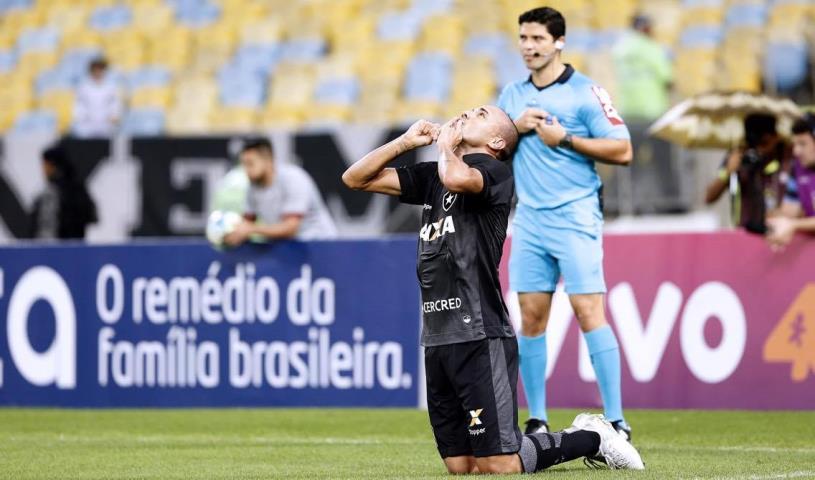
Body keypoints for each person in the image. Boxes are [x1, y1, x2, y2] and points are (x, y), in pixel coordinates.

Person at [342, 105, 644, 474]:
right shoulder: (437, 174)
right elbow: (355, 179)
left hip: (480, 333)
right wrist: (405, 142)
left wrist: (446, 146)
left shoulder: (494, 173)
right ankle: (571, 438)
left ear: (497, 142)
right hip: (438, 334)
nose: (468, 113)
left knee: (500, 464)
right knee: (461, 466)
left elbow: (457, 179)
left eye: (481, 114)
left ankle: (592, 436)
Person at [496, 7, 634, 438]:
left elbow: (623, 150)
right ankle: (537, 418)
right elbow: (491, 149)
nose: (528, 46)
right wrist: (515, 128)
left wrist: (566, 139)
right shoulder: (511, 95)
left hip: (575, 215)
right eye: (523, 38)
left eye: (537, 38)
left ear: (559, 42)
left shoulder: (585, 92)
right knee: (531, 316)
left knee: (588, 310)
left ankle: (617, 420)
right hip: (529, 220)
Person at [223, 138, 337, 245]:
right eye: (243, 164)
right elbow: (246, 223)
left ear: (268, 161)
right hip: (288, 248)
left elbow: (291, 228)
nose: (246, 170)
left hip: (319, 244)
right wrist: (230, 234)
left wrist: (251, 229)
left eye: (250, 163)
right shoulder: (252, 188)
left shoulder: (293, 178)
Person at [705, 113, 792, 233]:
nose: (760, 150)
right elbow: (709, 197)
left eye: (764, 143)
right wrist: (728, 171)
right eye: (754, 144)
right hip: (746, 232)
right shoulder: (739, 156)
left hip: (780, 231)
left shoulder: (788, 156)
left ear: (776, 137)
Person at [29, 144, 98, 239]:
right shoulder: (77, 189)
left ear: (54, 166)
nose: (44, 170)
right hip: (71, 245)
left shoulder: (62, 192)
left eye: (46, 165)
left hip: (63, 244)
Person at [612, 13, 673, 121]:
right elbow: (666, 77)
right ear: (644, 28)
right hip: (650, 109)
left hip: (627, 109)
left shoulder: (620, 48)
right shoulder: (650, 47)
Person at [766, 114, 815, 249]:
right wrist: (770, 219)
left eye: (802, 144)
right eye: (795, 144)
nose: (796, 151)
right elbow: (789, 213)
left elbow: (791, 222)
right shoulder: (798, 168)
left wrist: (793, 225)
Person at [72, 57, 123, 138]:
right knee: (80, 130)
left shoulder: (110, 87)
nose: (98, 72)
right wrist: (82, 118)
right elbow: (79, 106)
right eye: (95, 69)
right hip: (87, 124)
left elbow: (115, 104)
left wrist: (114, 116)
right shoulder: (83, 87)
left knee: (113, 131)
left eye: (100, 69)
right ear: (91, 71)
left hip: (106, 123)